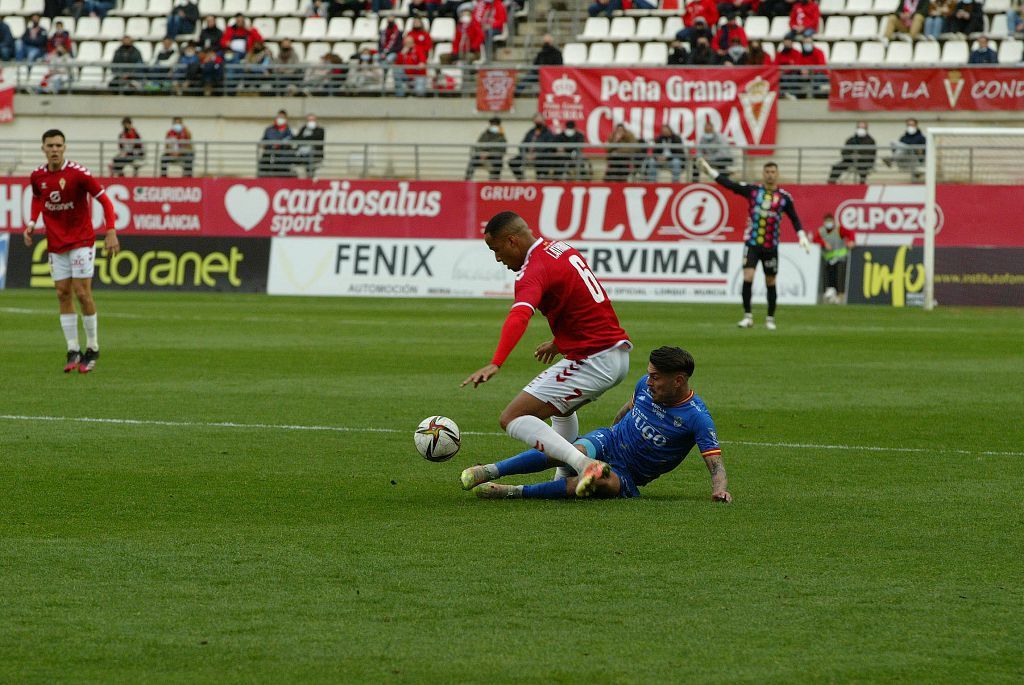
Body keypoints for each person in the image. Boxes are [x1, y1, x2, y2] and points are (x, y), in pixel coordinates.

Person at [460, 211, 632, 498]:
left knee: (512, 418)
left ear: (512, 241)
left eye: (496, 250)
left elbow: (519, 316)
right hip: (611, 353)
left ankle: (585, 464)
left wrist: (496, 362)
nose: (498, 259)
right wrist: (560, 340)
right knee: (561, 413)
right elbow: (581, 298)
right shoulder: (560, 248)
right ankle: (563, 480)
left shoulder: (531, 271)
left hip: (594, 359)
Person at [463, 347, 730, 502]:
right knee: (571, 453)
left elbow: (715, 464)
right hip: (609, 440)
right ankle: (488, 471)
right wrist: (610, 432)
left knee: (601, 484)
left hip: (629, 474)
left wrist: (720, 491)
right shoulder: (645, 387)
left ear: (679, 381)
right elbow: (626, 410)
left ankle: (512, 492)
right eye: (649, 375)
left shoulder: (697, 417)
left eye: (656, 377)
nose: (649, 382)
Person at [23, 129, 119, 374]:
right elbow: (37, 198)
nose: (54, 149)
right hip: (56, 243)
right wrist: (32, 222)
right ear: (43, 148)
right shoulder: (37, 176)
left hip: (81, 241)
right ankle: (73, 349)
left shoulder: (78, 174)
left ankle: (93, 348)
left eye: (58, 145)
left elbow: (105, 200)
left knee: (82, 293)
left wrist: (110, 231)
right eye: (50, 145)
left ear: (64, 148)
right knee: (62, 293)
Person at [698, 158, 811, 330]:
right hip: (752, 243)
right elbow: (730, 185)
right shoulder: (753, 191)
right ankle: (747, 316)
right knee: (747, 277)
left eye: (773, 172)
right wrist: (711, 172)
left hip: (771, 246)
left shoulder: (784, 198)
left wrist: (801, 236)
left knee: (770, 281)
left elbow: (794, 218)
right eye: (767, 172)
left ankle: (770, 318)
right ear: (763, 174)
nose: (770, 175)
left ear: (777, 174)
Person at [814, 213, 854, 304]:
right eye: (827, 221)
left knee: (840, 278)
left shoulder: (839, 229)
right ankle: (828, 296)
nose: (829, 223)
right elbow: (815, 239)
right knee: (828, 278)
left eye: (830, 221)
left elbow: (850, 234)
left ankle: (840, 296)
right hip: (828, 259)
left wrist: (852, 241)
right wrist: (824, 244)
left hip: (841, 258)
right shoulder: (821, 231)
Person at [510, 114, 556, 181]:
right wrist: (525, 154)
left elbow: (548, 147)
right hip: (527, 155)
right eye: (536, 120)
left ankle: (540, 180)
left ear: (543, 121)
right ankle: (521, 179)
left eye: (540, 120)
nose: (538, 122)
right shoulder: (531, 132)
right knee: (513, 162)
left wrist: (537, 154)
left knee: (543, 165)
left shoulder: (548, 133)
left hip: (541, 157)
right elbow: (522, 144)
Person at [465, 116, 507, 181]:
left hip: (493, 156)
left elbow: (502, 150)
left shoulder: (502, 137)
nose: (493, 126)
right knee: (473, 160)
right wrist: (481, 153)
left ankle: (494, 181)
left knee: (498, 162)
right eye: (492, 124)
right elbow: (478, 145)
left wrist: (489, 153)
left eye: (495, 124)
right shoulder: (485, 134)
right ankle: (467, 179)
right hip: (482, 155)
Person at [258, 110, 295, 177]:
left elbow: (291, 141)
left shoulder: (289, 131)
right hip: (269, 154)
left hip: (282, 156)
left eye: (282, 118)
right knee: (263, 166)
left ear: (286, 119)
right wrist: (263, 144)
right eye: (279, 117)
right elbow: (263, 140)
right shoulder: (269, 129)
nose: (280, 119)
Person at [294, 113, 325, 179]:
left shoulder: (320, 130)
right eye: (309, 120)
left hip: (314, 154)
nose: (311, 122)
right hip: (301, 153)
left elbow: (316, 138)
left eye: (312, 120)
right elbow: (298, 138)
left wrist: (305, 139)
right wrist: (306, 139)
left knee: (309, 160)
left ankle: (309, 179)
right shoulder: (303, 129)